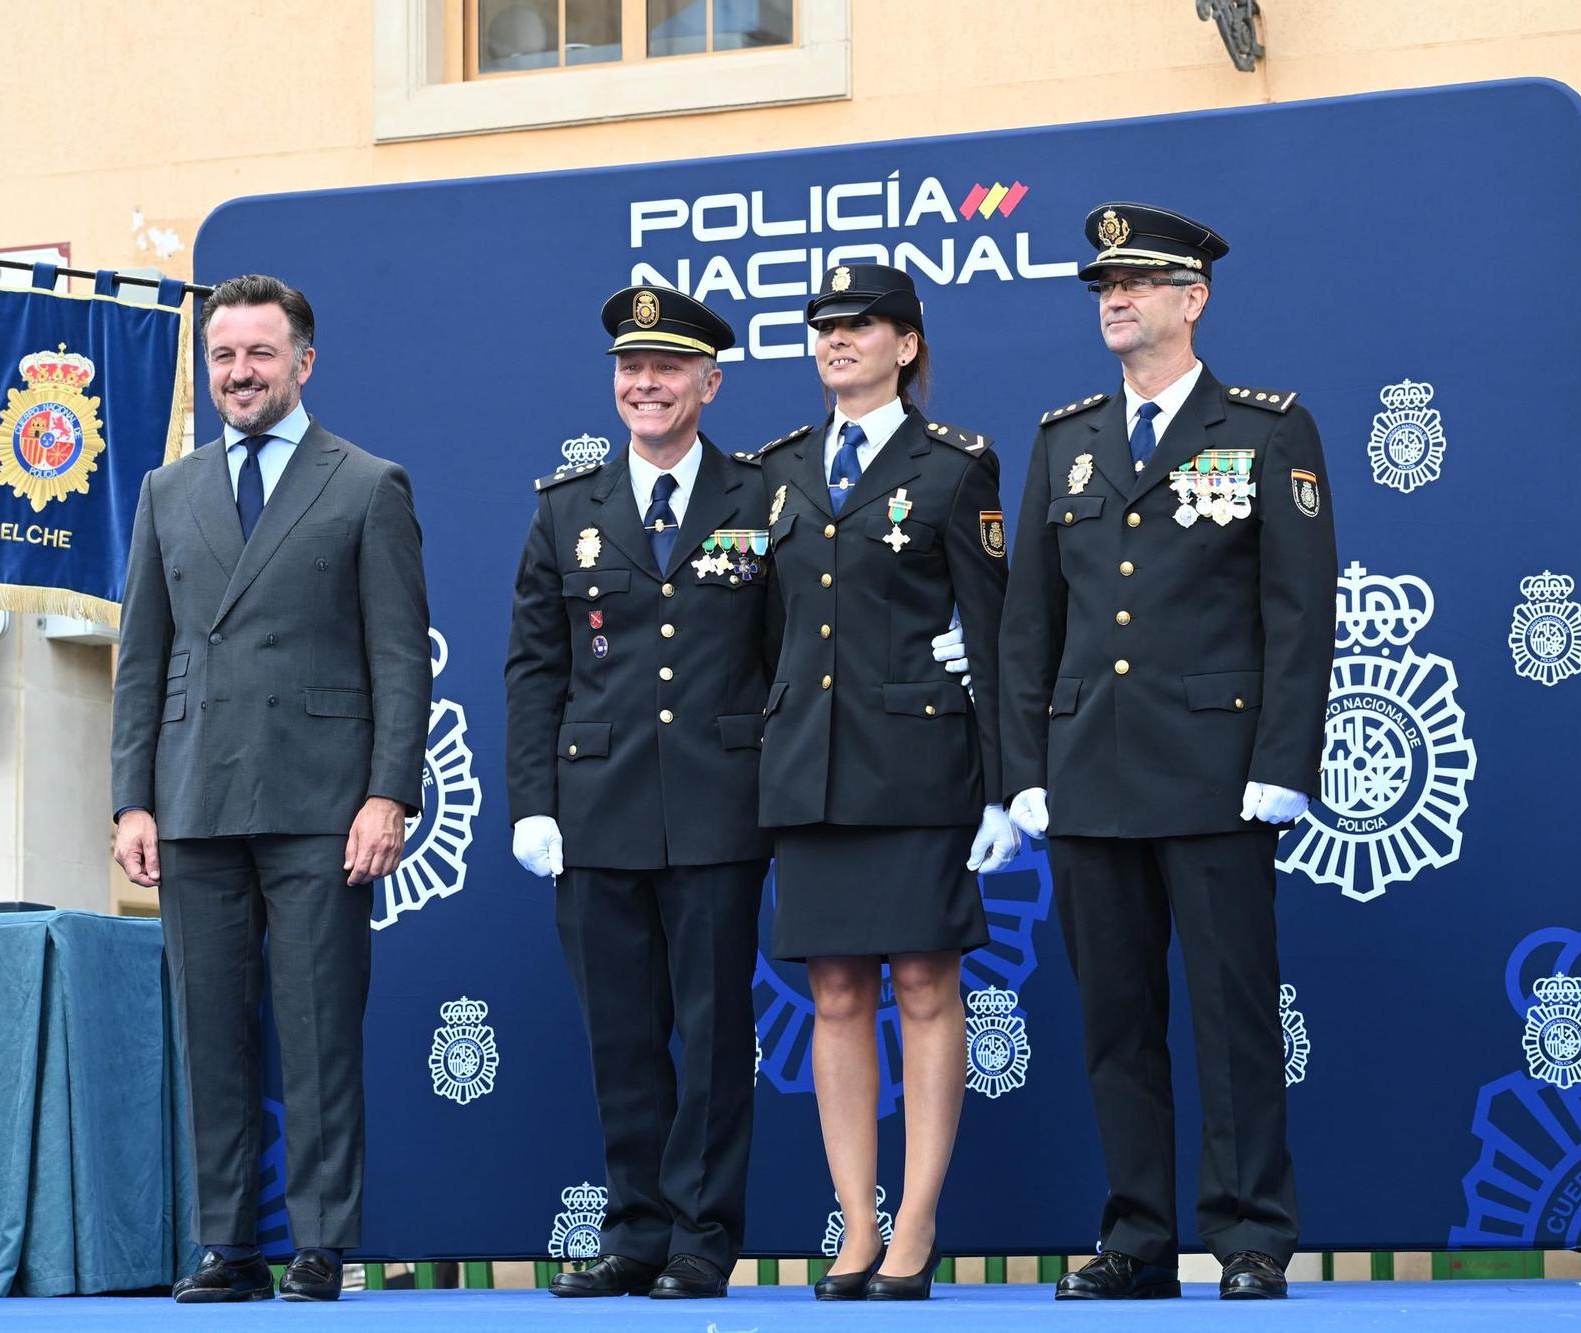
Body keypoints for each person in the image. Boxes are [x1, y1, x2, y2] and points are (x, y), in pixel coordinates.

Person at [504, 285, 976, 1299]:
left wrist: (947, 652)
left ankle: (698, 1239)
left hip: (726, 800)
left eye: (667, 370)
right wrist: (532, 801)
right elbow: (533, 667)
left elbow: (804, 635)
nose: (645, 385)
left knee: (718, 1038)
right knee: (620, 1036)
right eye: (631, 370)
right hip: (594, 807)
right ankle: (632, 1229)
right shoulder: (563, 506)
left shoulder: (761, 492)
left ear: (707, 384)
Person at [999, 203, 1337, 1302]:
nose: (1114, 296)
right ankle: (1138, 1237)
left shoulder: (1265, 429)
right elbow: (1026, 628)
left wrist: (1281, 762)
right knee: (1113, 1026)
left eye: (1137, 281)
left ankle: (1247, 1236)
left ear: (1192, 299)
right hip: (1088, 777)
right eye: (1103, 283)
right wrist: (1023, 773)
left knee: (1233, 1019)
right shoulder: (1064, 441)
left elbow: (1297, 615)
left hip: (1214, 774)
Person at [111, 274, 433, 1304]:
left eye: (258, 353)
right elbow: (141, 659)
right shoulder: (169, 491)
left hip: (321, 806)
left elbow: (399, 660)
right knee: (210, 1036)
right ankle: (225, 1245)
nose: (238, 373)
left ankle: (320, 1241)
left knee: (318, 1031)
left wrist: (388, 793)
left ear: (303, 361)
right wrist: (132, 798)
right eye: (222, 356)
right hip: (194, 798)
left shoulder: (365, 484)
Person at [757, 263, 1019, 1302]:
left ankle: (914, 1223)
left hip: (916, 765)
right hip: (809, 770)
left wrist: (1004, 786)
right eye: (822, 326)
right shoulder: (772, 471)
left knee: (920, 982)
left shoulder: (956, 465)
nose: (835, 341)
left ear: (904, 345)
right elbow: (762, 636)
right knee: (830, 991)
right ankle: (854, 1225)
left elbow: (990, 635)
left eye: (858, 326)